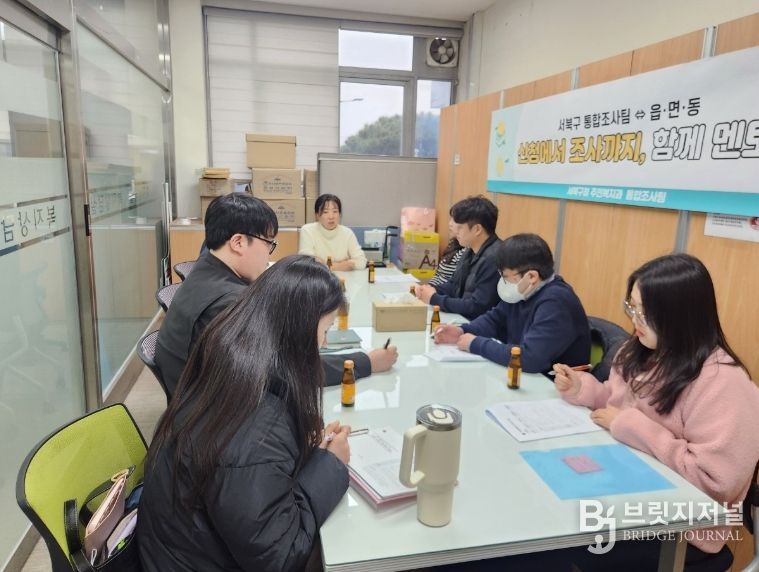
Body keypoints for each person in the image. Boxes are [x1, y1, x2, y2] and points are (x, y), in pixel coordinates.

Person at [139, 256, 352, 571]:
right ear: (300, 332)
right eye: (325, 329)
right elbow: (278, 557)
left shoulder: (236, 365)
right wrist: (331, 466)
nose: (323, 342)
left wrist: (302, 452)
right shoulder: (256, 428)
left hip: (188, 550)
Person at [551, 253, 759, 570]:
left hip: (681, 528)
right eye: (632, 307)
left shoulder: (723, 382)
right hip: (621, 486)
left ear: (681, 316)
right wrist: (584, 390)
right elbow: (616, 404)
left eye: (645, 313)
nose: (635, 320)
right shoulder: (638, 351)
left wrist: (631, 427)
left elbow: (716, 482)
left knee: (557, 547)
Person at [156, 193, 397, 399]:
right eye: (268, 244)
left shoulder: (206, 270)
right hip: (214, 416)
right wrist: (366, 362)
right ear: (238, 242)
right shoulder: (228, 304)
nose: (269, 255)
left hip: (203, 396)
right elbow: (284, 373)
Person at [434, 233, 590, 372]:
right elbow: (495, 320)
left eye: (506, 277)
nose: (503, 282)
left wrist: (476, 344)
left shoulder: (556, 302)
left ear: (531, 277)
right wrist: (462, 331)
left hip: (553, 386)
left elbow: (530, 358)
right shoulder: (524, 291)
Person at [415, 196, 500, 320]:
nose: (456, 232)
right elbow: (454, 285)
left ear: (477, 229)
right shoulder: (469, 250)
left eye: (460, 227)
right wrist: (429, 290)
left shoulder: (494, 258)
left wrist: (434, 299)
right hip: (463, 318)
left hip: (477, 324)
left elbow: (477, 307)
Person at [299, 194, 367, 270]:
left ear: (340, 214)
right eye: (325, 212)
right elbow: (306, 263)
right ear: (317, 215)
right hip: (318, 277)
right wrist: (340, 265)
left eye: (335, 211)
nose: (331, 217)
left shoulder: (347, 233)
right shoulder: (308, 230)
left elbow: (361, 262)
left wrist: (323, 264)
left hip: (344, 277)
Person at [428, 219, 466, 288]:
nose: (450, 224)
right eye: (450, 219)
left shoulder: (466, 252)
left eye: (454, 220)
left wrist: (433, 291)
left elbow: (454, 286)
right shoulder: (453, 243)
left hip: (442, 292)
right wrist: (429, 286)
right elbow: (438, 274)